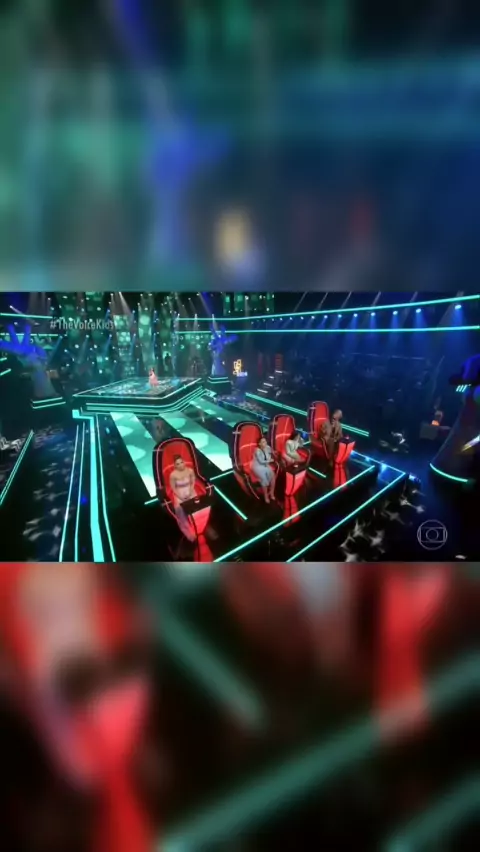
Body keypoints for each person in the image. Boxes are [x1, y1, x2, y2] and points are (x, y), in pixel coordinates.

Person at [169, 455, 197, 541]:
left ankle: (198, 527)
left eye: (181, 462)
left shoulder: (190, 471)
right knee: (180, 512)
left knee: (196, 509)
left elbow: (193, 482)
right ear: (175, 465)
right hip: (179, 494)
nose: (180, 465)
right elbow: (173, 488)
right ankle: (189, 534)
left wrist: (190, 491)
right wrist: (180, 496)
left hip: (190, 491)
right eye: (178, 464)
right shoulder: (173, 475)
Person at [251, 436, 276, 503]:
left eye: (265, 441)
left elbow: (271, 454)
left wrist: (272, 456)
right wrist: (270, 460)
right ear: (259, 444)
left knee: (273, 476)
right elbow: (261, 461)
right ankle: (266, 496)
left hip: (266, 464)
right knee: (264, 479)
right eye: (263, 442)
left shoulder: (268, 448)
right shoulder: (257, 450)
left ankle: (271, 493)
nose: (265, 443)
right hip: (257, 466)